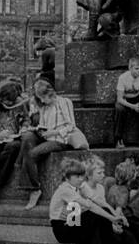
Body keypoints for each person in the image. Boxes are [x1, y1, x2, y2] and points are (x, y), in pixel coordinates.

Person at [19, 81, 88, 210]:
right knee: (27, 137)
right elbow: (43, 124)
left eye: (43, 98)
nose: (43, 101)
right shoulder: (43, 107)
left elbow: (70, 125)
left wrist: (53, 132)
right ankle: (29, 182)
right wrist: (36, 129)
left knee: (32, 154)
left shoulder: (64, 102)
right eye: (40, 99)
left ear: (50, 94)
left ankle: (35, 189)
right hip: (48, 136)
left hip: (61, 139)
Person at [49, 157, 115, 244]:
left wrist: (113, 214)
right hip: (61, 229)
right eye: (77, 176)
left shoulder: (80, 185)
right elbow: (89, 206)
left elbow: (96, 199)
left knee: (103, 211)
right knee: (92, 214)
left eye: (82, 176)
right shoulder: (65, 189)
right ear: (67, 177)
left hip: (72, 222)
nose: (81, 179)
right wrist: (112, 219)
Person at [115, 55, 139, 149]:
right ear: (130, 68)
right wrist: (132, 106)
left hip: (137, 98)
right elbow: (119, 98)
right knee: (119, 109)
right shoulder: (123, 77)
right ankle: (118, 138)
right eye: (136, 68)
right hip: (125, 100)